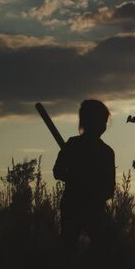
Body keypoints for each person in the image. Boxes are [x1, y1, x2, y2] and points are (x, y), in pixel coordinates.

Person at [53, 99, 115, 254]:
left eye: (105, 122)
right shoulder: (73, 146)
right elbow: (57, 171)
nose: (103, 125)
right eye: (101, 120)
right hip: (73, 206)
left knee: (96, 250)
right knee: (69, 246)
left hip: (94, 209)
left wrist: (93, 189)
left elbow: (109, 189)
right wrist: (75, 177)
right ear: (88, 121)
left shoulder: (105, 152)